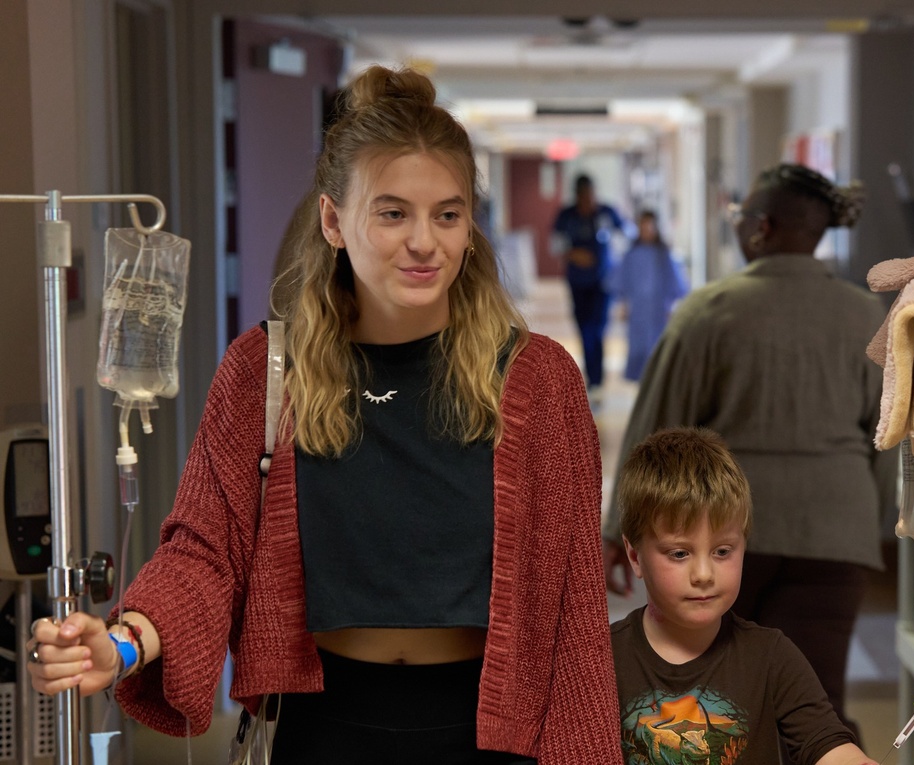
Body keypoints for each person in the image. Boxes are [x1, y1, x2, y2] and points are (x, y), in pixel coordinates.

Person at [27, 66, 619, 764]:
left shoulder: (538, 379)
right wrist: (123, 641)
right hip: (327, 729)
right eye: (393, 212)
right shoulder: (266, 373)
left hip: (488, 732)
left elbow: (574, 605)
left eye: (448, 214)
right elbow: (204, 549)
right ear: (335, 220)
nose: (425, 241)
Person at [604, 163, 892, 737]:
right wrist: (868, 522)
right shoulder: (868, 316)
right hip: (836, 528)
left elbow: (654, 432)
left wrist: (620, 530)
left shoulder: (709, 312)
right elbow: (889, 436)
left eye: (740, 216)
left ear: (761, 227)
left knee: (715, 694)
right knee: (817, 698)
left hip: (725, 531)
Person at [611, 427, 914, 765]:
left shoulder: (773, 657)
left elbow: (827, 745)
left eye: (722, 551)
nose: (704, 575)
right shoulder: (603, 659)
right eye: (679, 554)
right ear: (635, 556)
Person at [551, 174, 627, 401]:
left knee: (598, 329)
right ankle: (591, 377)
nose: (588, 200)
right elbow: (555, 244)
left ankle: (597, 380)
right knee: (584, 329)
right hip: (578, 282)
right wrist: (574, 254)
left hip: (603, 283)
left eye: (591, 195)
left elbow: (626, 235)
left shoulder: (606, 213)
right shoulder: (566, 216)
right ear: (577, 195)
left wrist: (615, 260)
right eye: (584, 196)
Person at [611, 210, 689, 381]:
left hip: (659, 311)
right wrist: (623, 305)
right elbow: (621, 282)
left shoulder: (664, 255)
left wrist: (672, 306)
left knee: (657, 350)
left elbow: (676, 283)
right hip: (638, 312)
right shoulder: (631, 255)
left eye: (649, 226)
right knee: (639, 350)